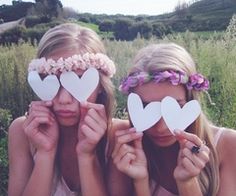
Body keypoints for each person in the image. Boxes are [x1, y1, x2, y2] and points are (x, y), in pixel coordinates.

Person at [108, 43, 236, 196]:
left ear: (191, 101)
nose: (161, 127)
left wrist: (187, 183)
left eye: (174, 107)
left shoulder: (228, 145)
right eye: (148, 109)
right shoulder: (124, 149)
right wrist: (140, 182)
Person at [8, 23, 116, 196]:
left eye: (79, 80)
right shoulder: (21, 132)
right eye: (52, 81)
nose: (64, 99)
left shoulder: (117, 135)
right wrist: (45, 153)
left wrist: (87, 156)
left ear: (101, 85)